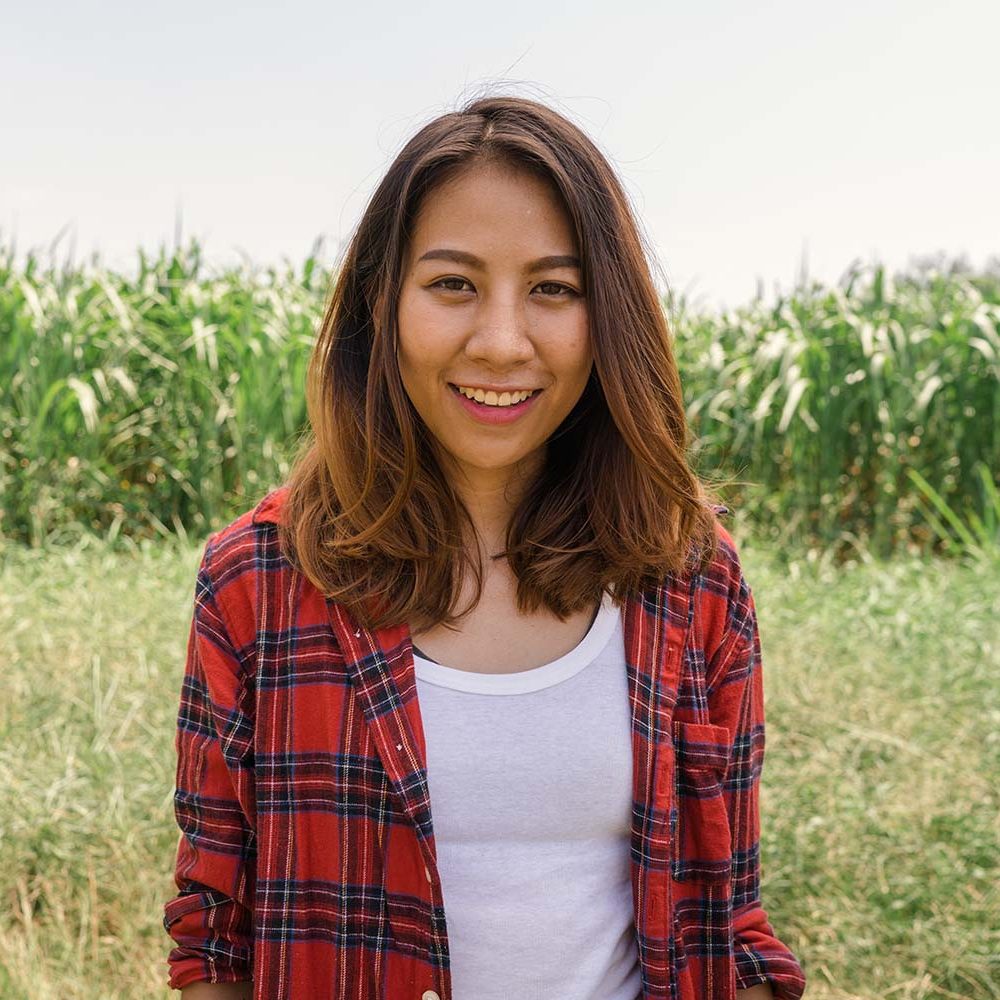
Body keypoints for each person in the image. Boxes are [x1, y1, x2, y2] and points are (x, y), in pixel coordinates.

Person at [163, 94, 807, 1000]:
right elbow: (214, 943)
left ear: (608, 315)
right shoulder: (258, 582)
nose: (502, 343)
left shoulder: (691, 578)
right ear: (382, 307)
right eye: (453, 284)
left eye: (554, 289)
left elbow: (730, 917)